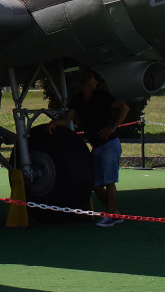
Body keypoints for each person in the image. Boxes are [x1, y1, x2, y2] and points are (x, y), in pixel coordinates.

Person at [47, 68, 130, 227]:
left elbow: (124, 108)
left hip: (109, 144)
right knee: (95, 183)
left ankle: (111, 215)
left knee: (109, 180)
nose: (87, 75)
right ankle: (114, 213)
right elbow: (67, 120)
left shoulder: (102, 96)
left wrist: (112, 128)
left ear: (95, 83)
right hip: (97, 146)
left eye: (91, 75)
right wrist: (53, 124)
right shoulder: (78, 99)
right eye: (86, 74)